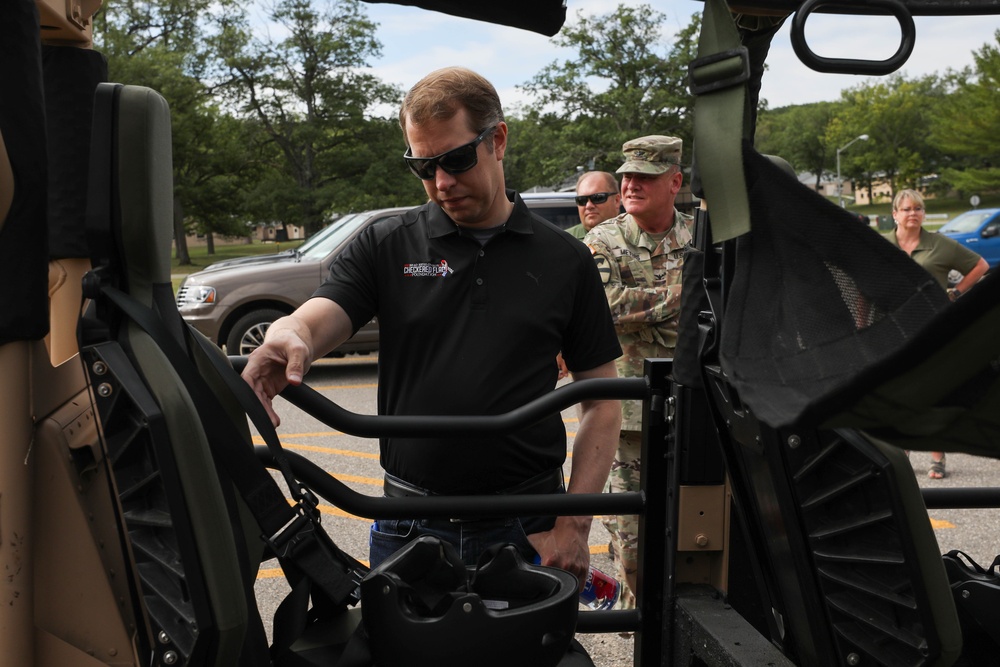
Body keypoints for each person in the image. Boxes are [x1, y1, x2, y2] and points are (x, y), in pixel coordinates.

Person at [240, 66, 622, 585]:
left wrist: (574, 526)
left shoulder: (567, 260)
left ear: (499, 140)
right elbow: (324, 312)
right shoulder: (386, 244)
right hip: (408, 524)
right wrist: (290, 331)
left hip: (529, 521)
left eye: (456, 159)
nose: (442, 182)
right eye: (423, 166)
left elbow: (601, 397)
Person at [583, 135, 692, 611]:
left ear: (674, 182)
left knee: (694, 524)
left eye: (644, 177)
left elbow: (722, 303)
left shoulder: (700, 236)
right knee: (631, 535)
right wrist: (681, 300)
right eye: (626, 175)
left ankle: (671, 617)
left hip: (694, 402)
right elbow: (607, 307)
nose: (630, 184)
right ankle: (639, 609)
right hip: (628, 412)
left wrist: (648, 309)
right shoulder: (601, 241)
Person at [884, 188, 989, 479]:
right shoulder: (881, 246)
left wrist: (955, 292)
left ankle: (937, 455)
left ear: (923, 214)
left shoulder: (940, 245)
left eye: (918, 209)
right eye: (906, 209)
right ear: (894, 214)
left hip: (932, 330)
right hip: (893, 330)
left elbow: (980, 265)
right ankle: (901, 450)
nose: (912, 214)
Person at [566, 171, 621, 240]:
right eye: (582, 200)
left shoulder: (633, 237)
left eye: (597, 198)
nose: (588, 206)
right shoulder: (565, 241)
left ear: (616, 200)